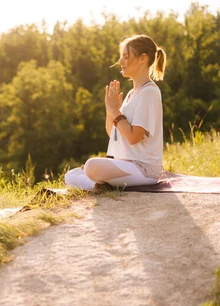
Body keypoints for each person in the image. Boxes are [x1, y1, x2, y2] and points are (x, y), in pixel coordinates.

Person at [65, 34, 167, 191]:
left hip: (144, 170)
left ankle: (99, 184)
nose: (121, 62)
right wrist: (110, 108)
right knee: (70, 175)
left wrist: (115, 111)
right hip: (126, 165)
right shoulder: (131, 94)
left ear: (143, 59)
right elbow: (113, 133)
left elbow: (134, 137)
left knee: (91, 166)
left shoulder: (149, 92)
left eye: (126, 57)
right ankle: (99, 185)